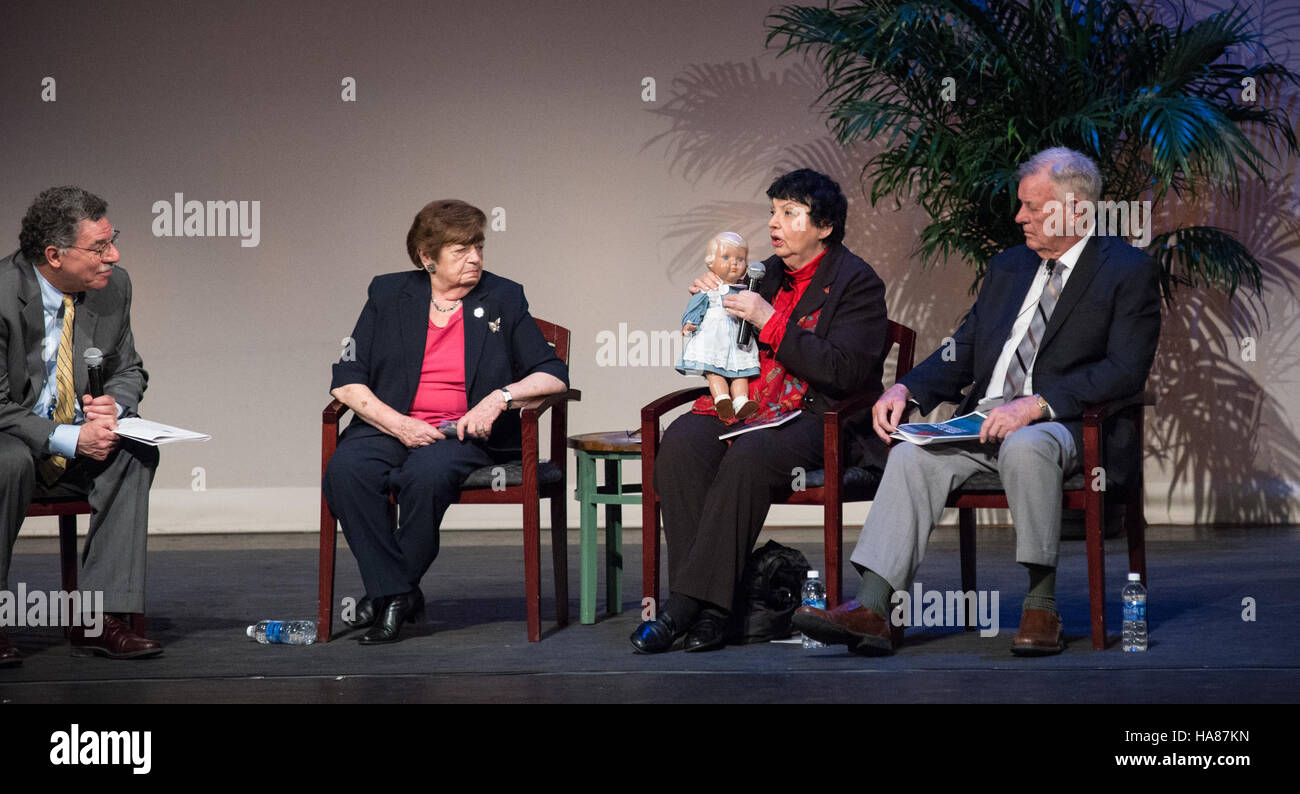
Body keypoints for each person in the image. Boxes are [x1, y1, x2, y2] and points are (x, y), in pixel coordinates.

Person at [794, 147, 1162, 656]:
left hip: (1067, 425)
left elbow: (1125, 369)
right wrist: (907, 389)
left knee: (1026, 445)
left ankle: (1041, 606)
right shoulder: (1010, 266)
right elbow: (962, 348)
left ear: (1075, 209)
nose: (1019, 218)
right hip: (983, 421)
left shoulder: (1126, 269)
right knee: (910, 454)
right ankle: (873, 609)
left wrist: (1036, 406)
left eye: (1031, 207)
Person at [631, 169, 890, 653]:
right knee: (683, 443)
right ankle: (715, 613)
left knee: (750, 454)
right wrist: (709, 301)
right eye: (772, 211)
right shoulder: (764, 274)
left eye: (789, 213)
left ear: (824, 226)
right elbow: (725, 348)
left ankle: (685, 606)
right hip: (756, 406)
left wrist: (769, 320)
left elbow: (846, 372)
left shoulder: (856, 283)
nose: (774, 223)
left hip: (820, 416)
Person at [323, 199, 568, 645]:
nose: (475, 257)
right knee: (347, 471)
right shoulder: (388, 293)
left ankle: (388, 598)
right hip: (392, 424)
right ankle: (397, 592)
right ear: (426, 258)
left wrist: (500, 398)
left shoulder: (503, 296)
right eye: (460, 250)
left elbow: (553, 373)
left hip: (462, 433)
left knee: (427, 474)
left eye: (478, 246)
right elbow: (346, 378)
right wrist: (398, 425)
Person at [1, 186, 162, 666]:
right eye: (98, 248)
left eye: (113, 241)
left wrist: (115, 405)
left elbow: (129, 368)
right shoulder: (3, 297)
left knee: (134, 451)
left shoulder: (114, 286)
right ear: (54, 255)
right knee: (6, 462)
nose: (113, 255)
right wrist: (71, 437)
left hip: (78, 435)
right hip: (14, 437)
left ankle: (99, 618)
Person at [676, 231, 760, 420]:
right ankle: (721, 399)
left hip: (739, 337)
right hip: (714, 337)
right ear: (711, 262)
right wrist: (689, 323)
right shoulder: (708, 289)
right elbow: (696, 307)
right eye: (726, 257)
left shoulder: (746, 291)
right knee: (713, 370)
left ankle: (741, 401)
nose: (734, 263)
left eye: (740, 259)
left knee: (741, 372)